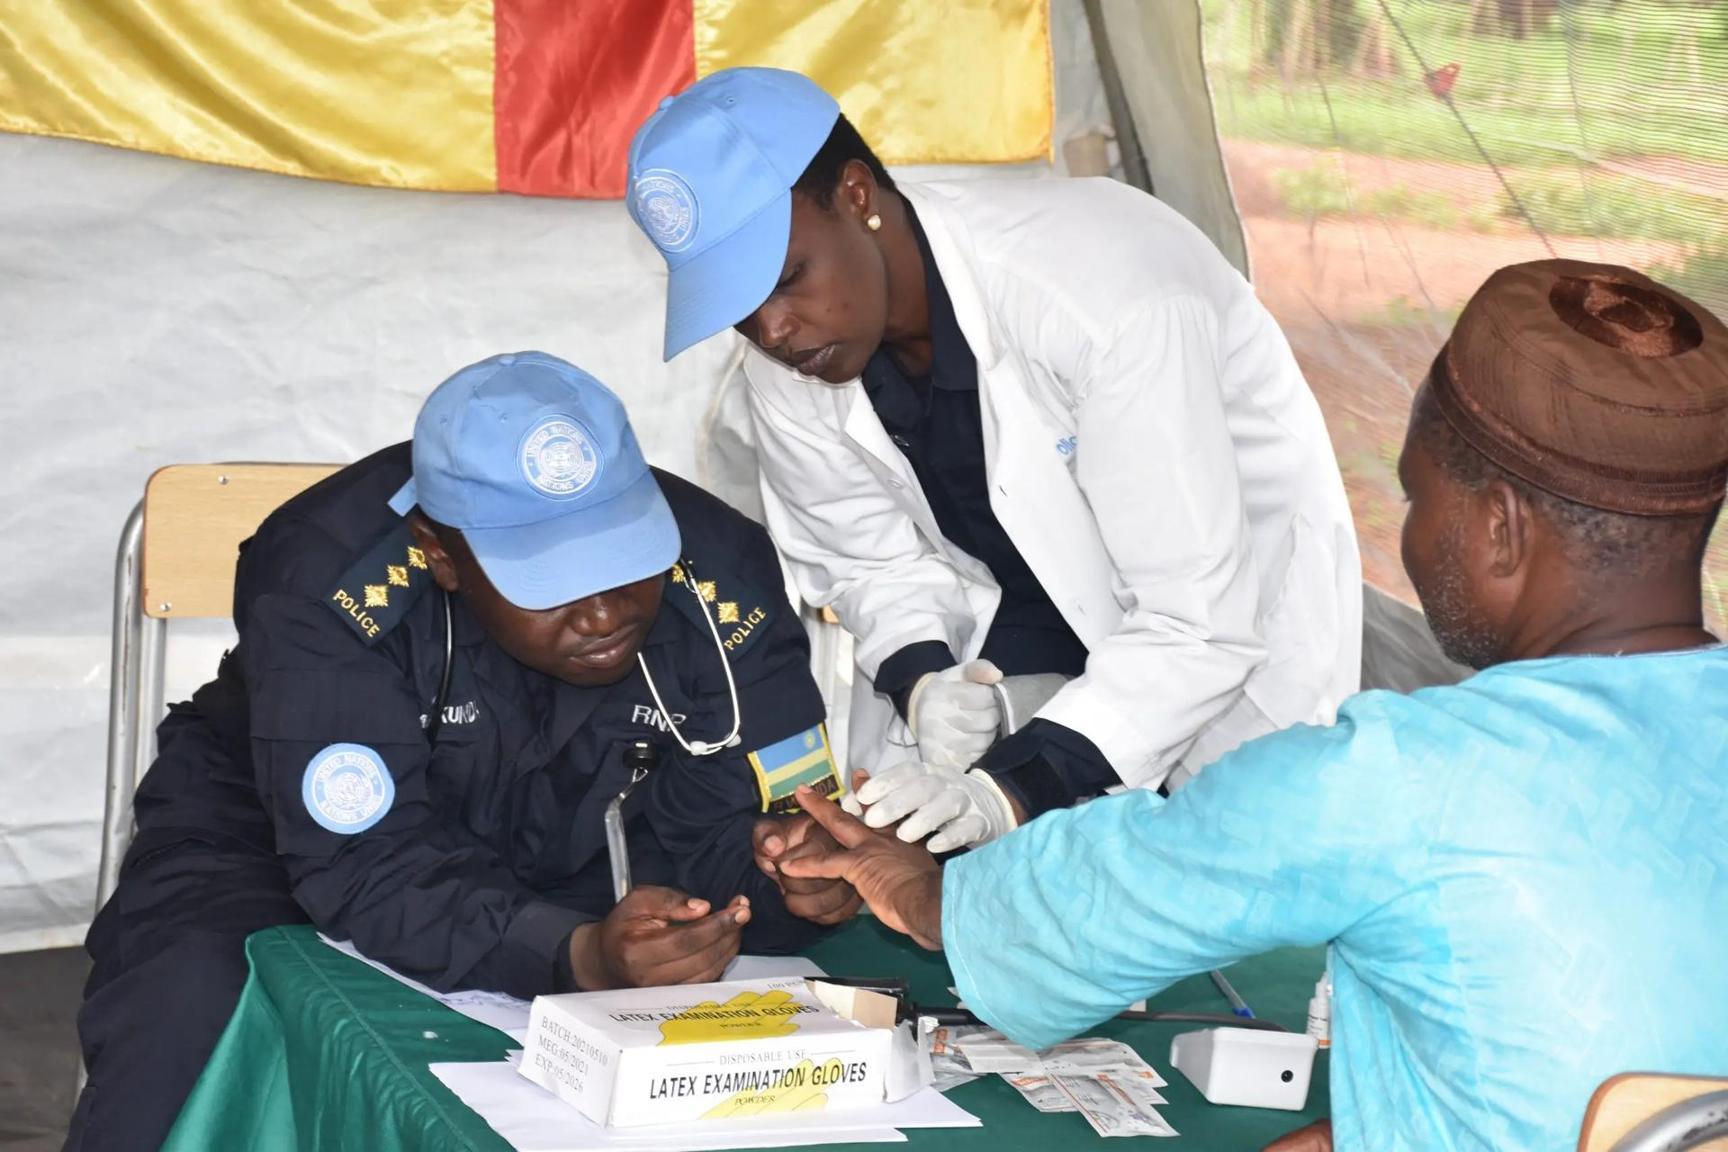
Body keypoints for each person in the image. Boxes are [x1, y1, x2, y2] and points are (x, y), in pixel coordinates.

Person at [771, 262, 1728, 1151]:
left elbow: (1108, 898)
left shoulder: (1401, 778)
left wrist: (924, 890)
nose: (1410, 533)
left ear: (1500, 531)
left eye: (1415, 495)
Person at [67, 352, 860, 1152]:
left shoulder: (724, 578)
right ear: (440, 553)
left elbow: (728, 828)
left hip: (588, 852)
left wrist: (788, 873)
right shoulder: (330, 583)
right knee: (184, 1014)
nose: (604, 613)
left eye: (626, 561)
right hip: (271, 838)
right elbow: (361, 859)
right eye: (552, 581)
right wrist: (575, 952)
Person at [624, 67, 1361, 853]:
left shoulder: (1095, 291)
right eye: (737, 309)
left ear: (858, 196)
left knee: (1250, 898)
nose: (770, 330)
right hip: (1036, 637)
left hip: (1233, 646)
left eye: (785, 279)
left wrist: (1009, 788)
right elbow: (864, 558)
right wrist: (925, 682)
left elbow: (1198, 622)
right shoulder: (803, 352)